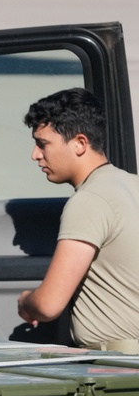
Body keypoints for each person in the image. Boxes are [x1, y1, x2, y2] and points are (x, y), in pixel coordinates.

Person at [17, 87, 139, 351]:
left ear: (80, 144)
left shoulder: (89, 200)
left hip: (117, 370)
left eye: (42, 143)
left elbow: (48, 305)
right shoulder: (131, 186)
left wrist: (26, 302)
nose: (35, 155)